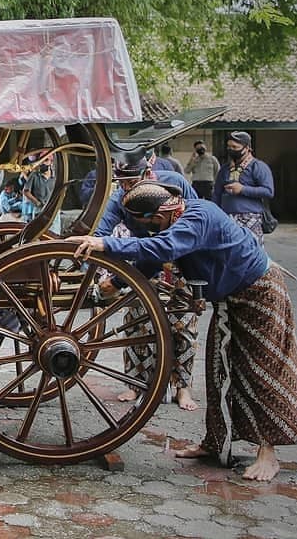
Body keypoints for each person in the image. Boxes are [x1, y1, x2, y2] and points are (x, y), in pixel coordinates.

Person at [69, 182, 297, 481]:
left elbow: (165, 247)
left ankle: (268, 455)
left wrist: (105, 244)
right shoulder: (175, 220)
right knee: (219, 369)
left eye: (148, 225)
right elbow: (153, 258)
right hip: (230, 299)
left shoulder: (198, 216)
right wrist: (116, 284)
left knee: (262, 371)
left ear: (159, 216)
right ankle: (214, 443)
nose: (148, 232)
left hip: (259, 292)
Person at [95, 153, 201, 411]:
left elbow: (195, 216)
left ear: (147, 174)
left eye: (131, 182)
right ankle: (136, 383)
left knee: (183, 322)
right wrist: (94, 270)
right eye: (121, 183)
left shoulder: (174, 183)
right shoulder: (119, 198)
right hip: (143, 262)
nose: (126, 188)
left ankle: (182, 387)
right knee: (137, 322)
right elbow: (102, 233)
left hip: (180, 258)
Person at [213, 131, 275, 245]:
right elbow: (217, 194)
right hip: (226, 217)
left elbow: (268, 191)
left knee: (251, 251)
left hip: (250, 218)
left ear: (247, 148)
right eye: (229, 147)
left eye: (235, 147)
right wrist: (215, 214)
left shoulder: (258, 167)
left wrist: (242, 189)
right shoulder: (225, 169)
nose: (231, 150)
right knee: (228, 251)